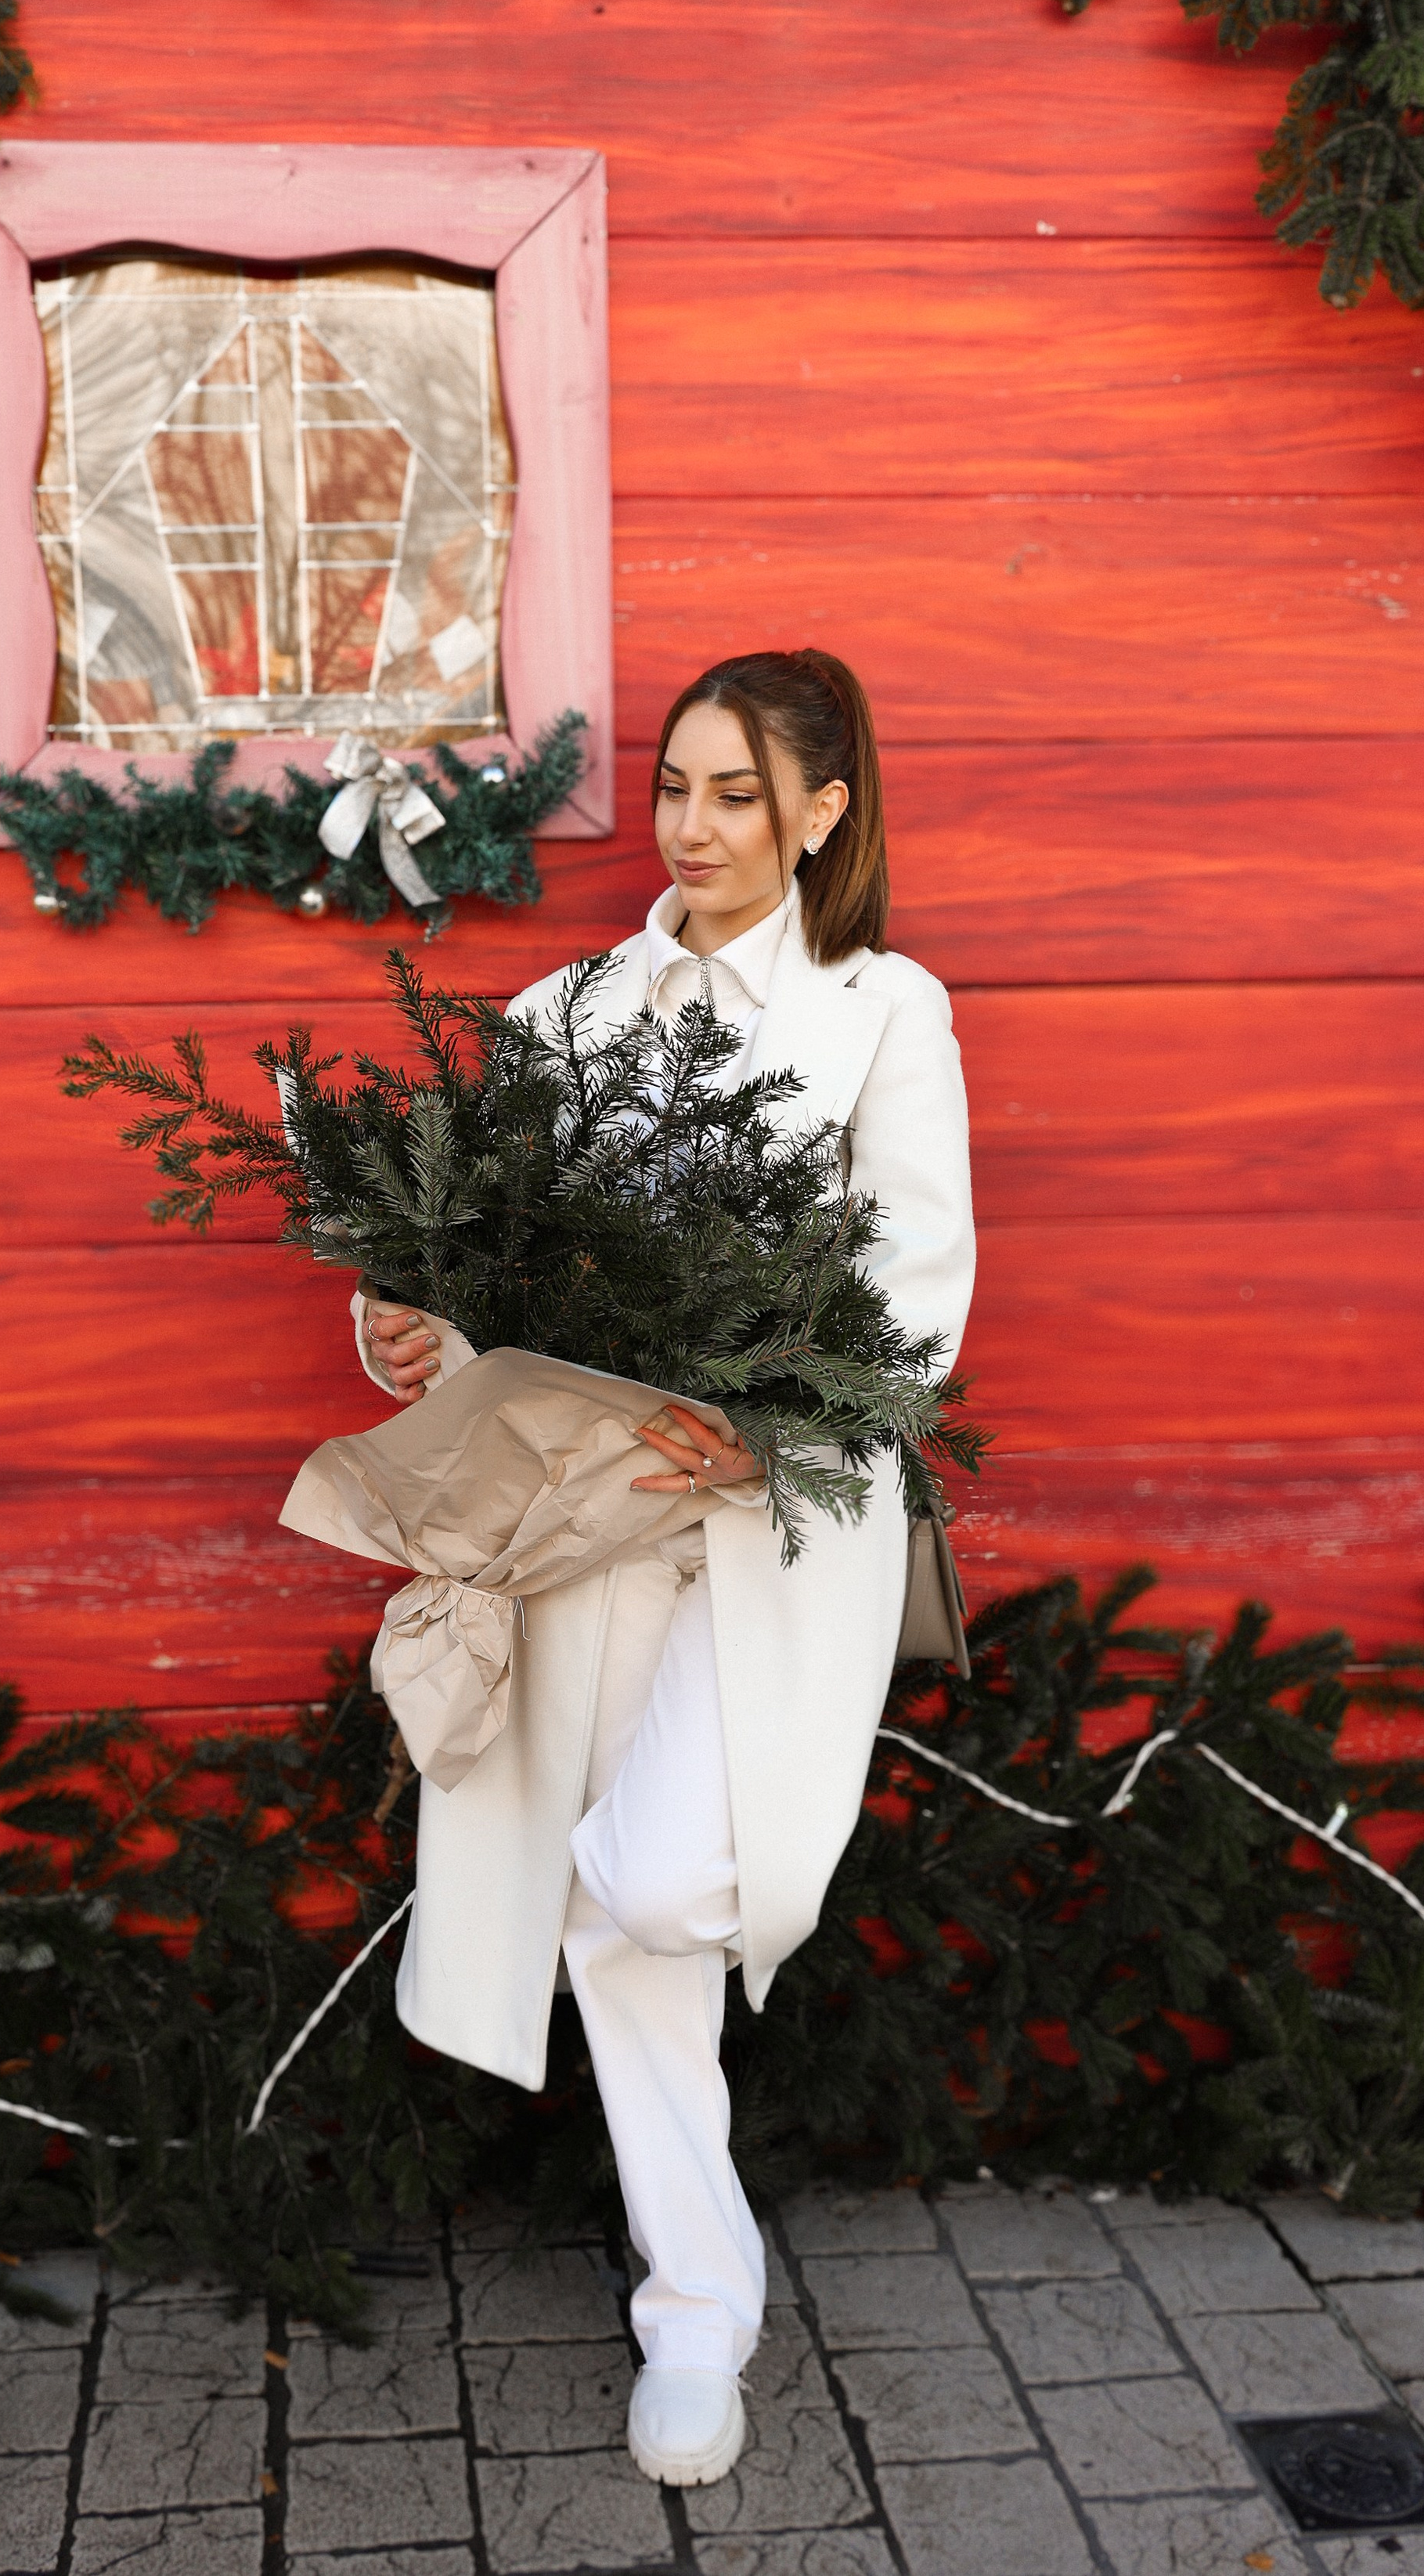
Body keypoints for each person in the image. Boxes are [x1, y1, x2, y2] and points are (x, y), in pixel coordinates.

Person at [354, 649, 975, 2487]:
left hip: (772, 1534)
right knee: (615, 1939)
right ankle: (694, 2310)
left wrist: (766, 1421)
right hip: (584, 1528)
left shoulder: (882, 1010)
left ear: (820, 808)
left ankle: (695, 2282)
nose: (690, 826)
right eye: (673, 787)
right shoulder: (567, 1011)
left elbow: (918, 1302)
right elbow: (484, 1265)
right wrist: (409, 1332)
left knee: (644, 1879)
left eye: (732, 793)